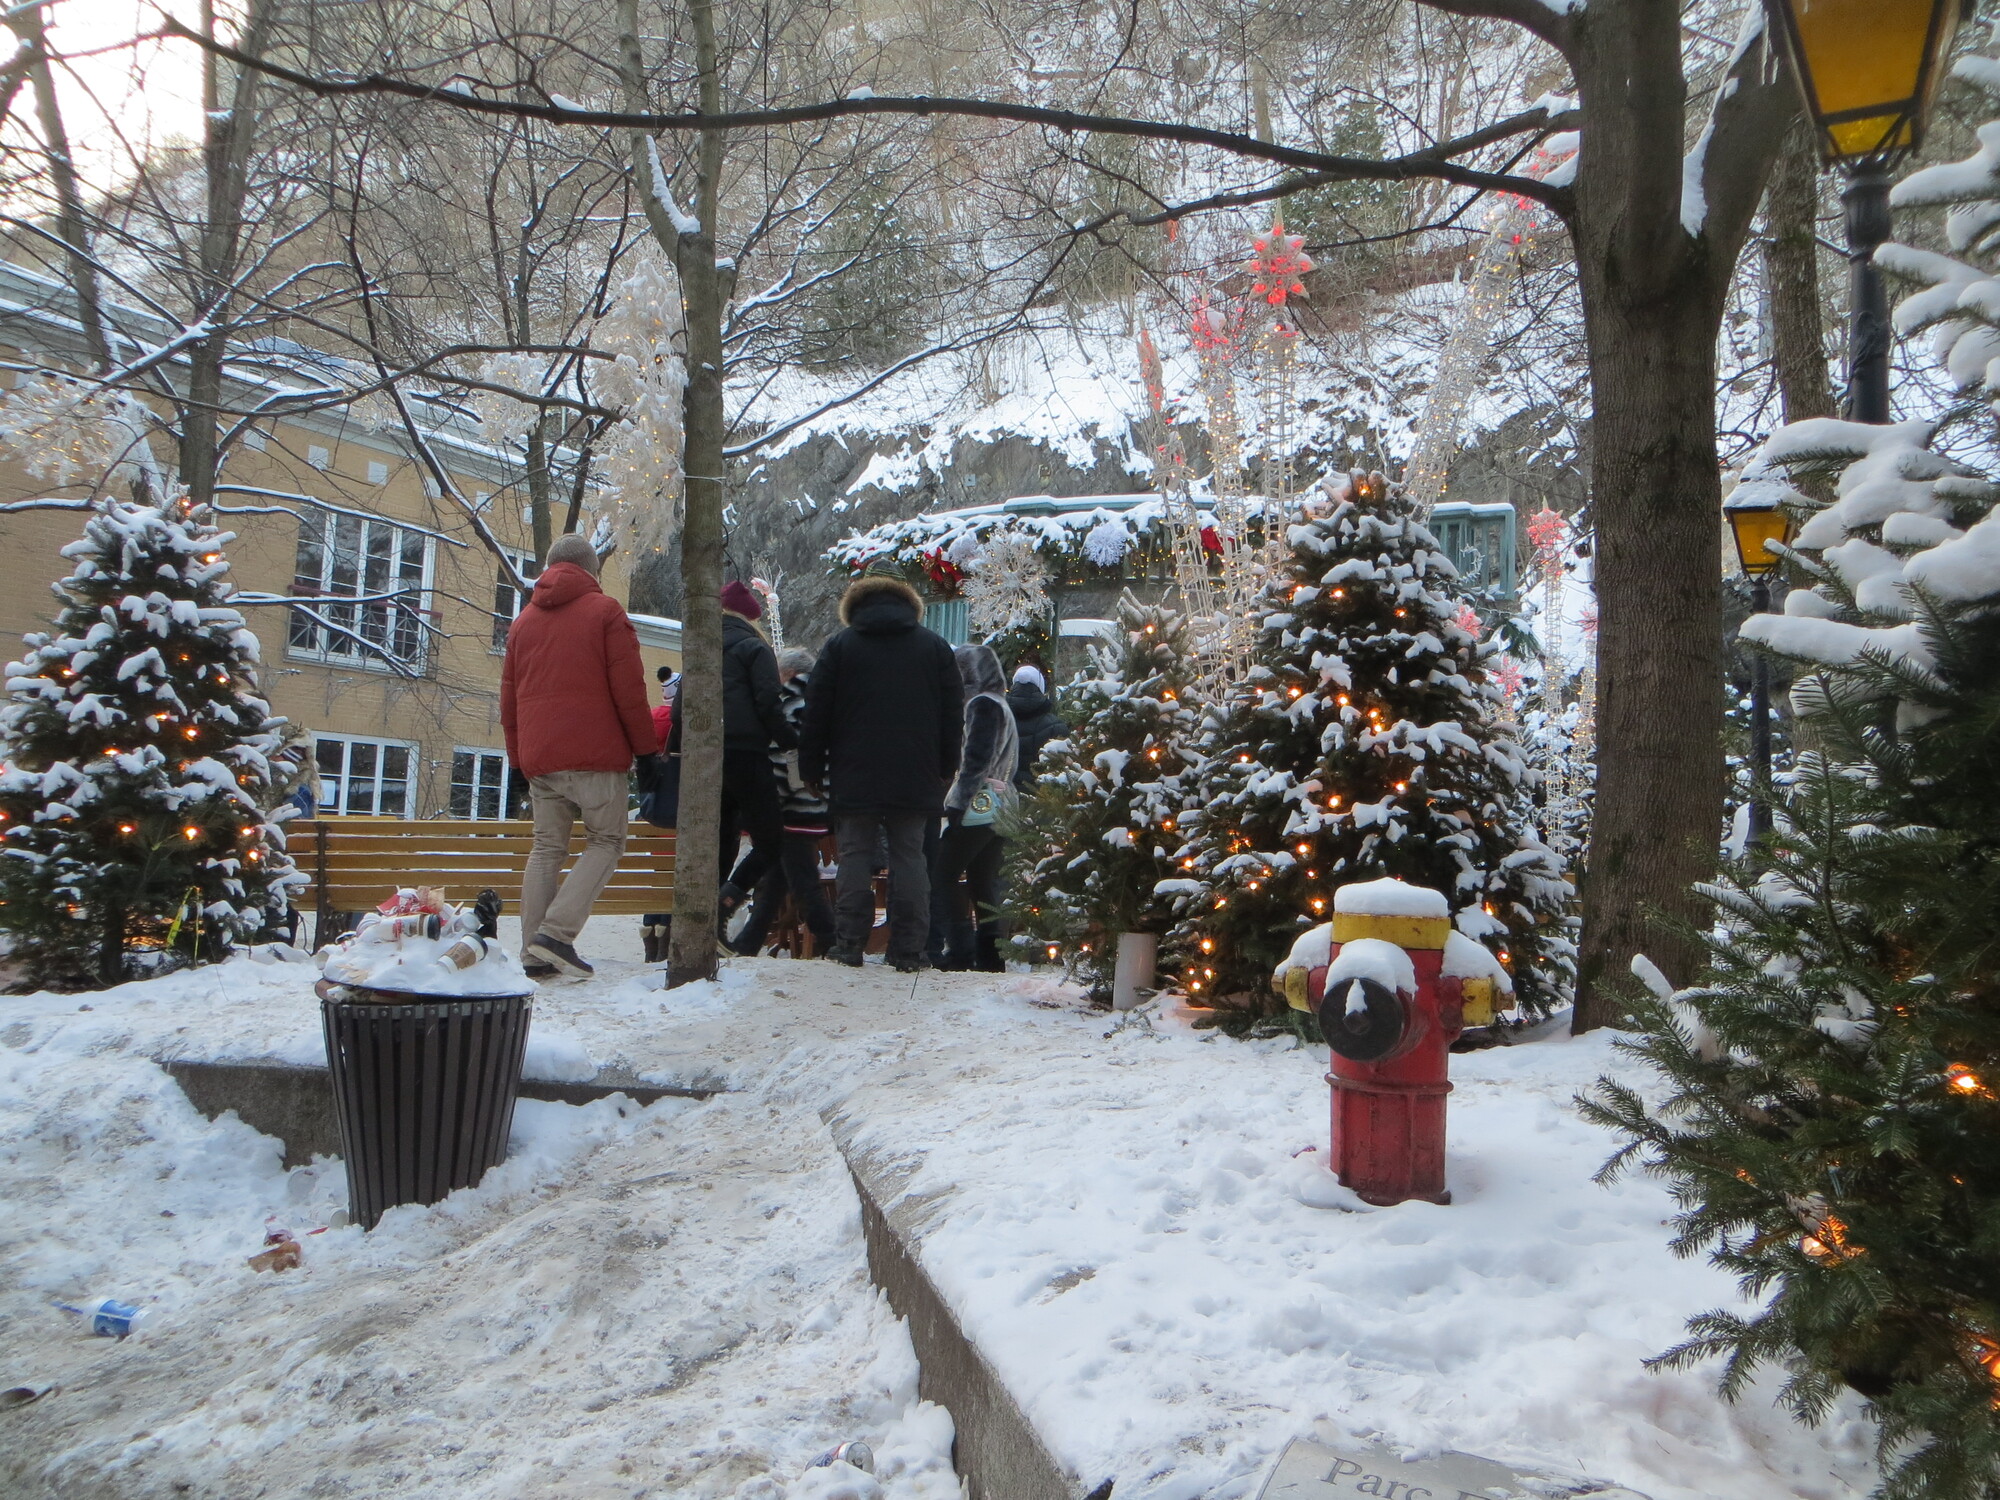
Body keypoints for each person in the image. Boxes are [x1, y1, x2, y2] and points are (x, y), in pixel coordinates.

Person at [500, 533, 657, 979]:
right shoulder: (606, 612)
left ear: (549, 568)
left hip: (540, 758)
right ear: (592, 570)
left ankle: (533, 952)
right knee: (606, 841)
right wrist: (646, 752)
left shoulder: (522, 623)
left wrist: (516, 760)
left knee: (546, 847)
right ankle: (555, 935)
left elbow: (508, 702)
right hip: (595, 756)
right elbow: (629, 691)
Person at [800, 571, 961, 972]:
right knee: (910, 857)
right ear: (909, 603)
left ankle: (849, 943)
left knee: (855, 855)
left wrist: (811, 767)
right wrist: (947, 765)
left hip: (854, 771)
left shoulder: (840, 646)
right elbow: (951, 713)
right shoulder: (934, 647)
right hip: (916, 771)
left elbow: (816, 711)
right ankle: (909, 949)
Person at [728, 646, 835, 957]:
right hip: (813, 802)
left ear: (788, 674)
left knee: (802, 879)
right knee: (778, 876)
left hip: (792, 805)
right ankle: (749, 940)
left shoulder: (790, 704)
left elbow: (783, 758)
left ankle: (830, 939)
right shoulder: (821, 702)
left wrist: (769, 800)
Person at [930, 644, 1018, 972]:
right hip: (1003, 801)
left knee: (943, 873)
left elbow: (976, 761)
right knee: (984, 880)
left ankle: (961, 949)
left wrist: (958, 802)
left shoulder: (982, 705)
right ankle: (991, 955)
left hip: (981, 801)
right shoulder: (1000, 703)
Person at [716, 581, 793, 920]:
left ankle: (708, 920)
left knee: (721, 840)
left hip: (707, 755)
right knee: (771, 840)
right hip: (747, 753)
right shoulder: (754, 648)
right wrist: (791, 741)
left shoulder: (701, 648)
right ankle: (726, 901)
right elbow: (768, 703)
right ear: (751, 618)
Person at [642, 666, 679, 964]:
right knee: (673, 875)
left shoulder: (651, 720)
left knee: (658, 875)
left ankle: (650, 939)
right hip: (676, 805)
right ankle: (665, 938)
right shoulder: (682, 724)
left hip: (653, 809)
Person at [1005, 664, 1067, 793]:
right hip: (1041, 797)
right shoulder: (1055, 726)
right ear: (1040, 687)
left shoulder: (996, 720)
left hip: (1002, 796)